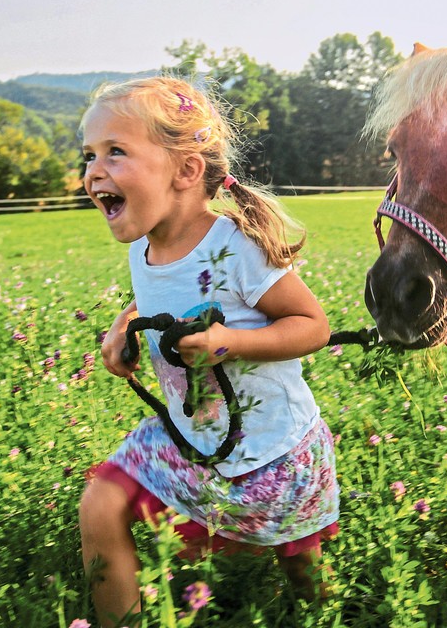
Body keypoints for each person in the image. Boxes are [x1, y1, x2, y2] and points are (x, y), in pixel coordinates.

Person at [77, 76, 338, 626]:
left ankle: (328, 613)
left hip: (270, 446)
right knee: (101, 503)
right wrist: (123, 329)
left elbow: (312, 326)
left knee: (302, 571)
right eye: (90, 155)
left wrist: (232, 342)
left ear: (186, 171)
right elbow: (152, 297)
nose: (94, 172)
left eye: (116, 152)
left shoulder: (234, 246)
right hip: (190, 435)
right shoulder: (145, 249)